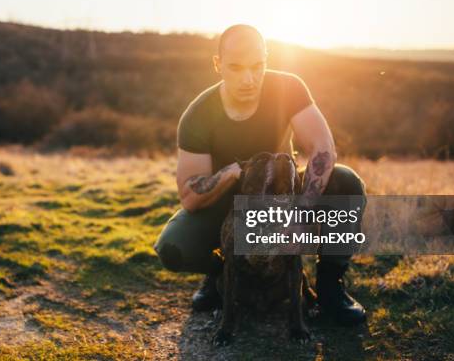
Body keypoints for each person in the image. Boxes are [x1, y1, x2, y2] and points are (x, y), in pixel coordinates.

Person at [153, 25, 367, 326]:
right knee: (174, 246)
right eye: (236, 68)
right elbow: (189, 195)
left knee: (345, 183)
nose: (249, 79)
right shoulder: (198, 114)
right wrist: (233, 171)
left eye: (257, 66)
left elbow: (323, 150)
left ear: (267, 59)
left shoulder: (288, 87)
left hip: (284, 198)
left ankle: (330, 287)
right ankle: (219, 273)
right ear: (218, 65)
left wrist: (301, 210)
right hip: (229, 205)